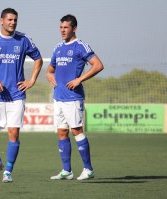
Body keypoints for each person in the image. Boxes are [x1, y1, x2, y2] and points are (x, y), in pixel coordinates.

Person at [0, 8, 43, 183]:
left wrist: (31, 80)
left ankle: (8, 171)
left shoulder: (24, 40)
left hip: (16, 95)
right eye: (9, 20)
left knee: (13, 133)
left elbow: (38, 59)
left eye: (15, 20)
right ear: (1, 20)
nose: (13, 23)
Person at [46, 14, 104, 180]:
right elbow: (50, 69)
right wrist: (49, 75)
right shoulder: (57, 47)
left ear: (74, 28)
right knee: (62, 133)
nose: (63, 30)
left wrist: (79, 79)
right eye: (61, 27)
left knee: (76, 131)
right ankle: (67, 171)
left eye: (66, 27)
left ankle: (88, 169)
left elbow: (98, 65)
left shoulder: (80, 46)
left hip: (73, 97)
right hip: (59, 97)